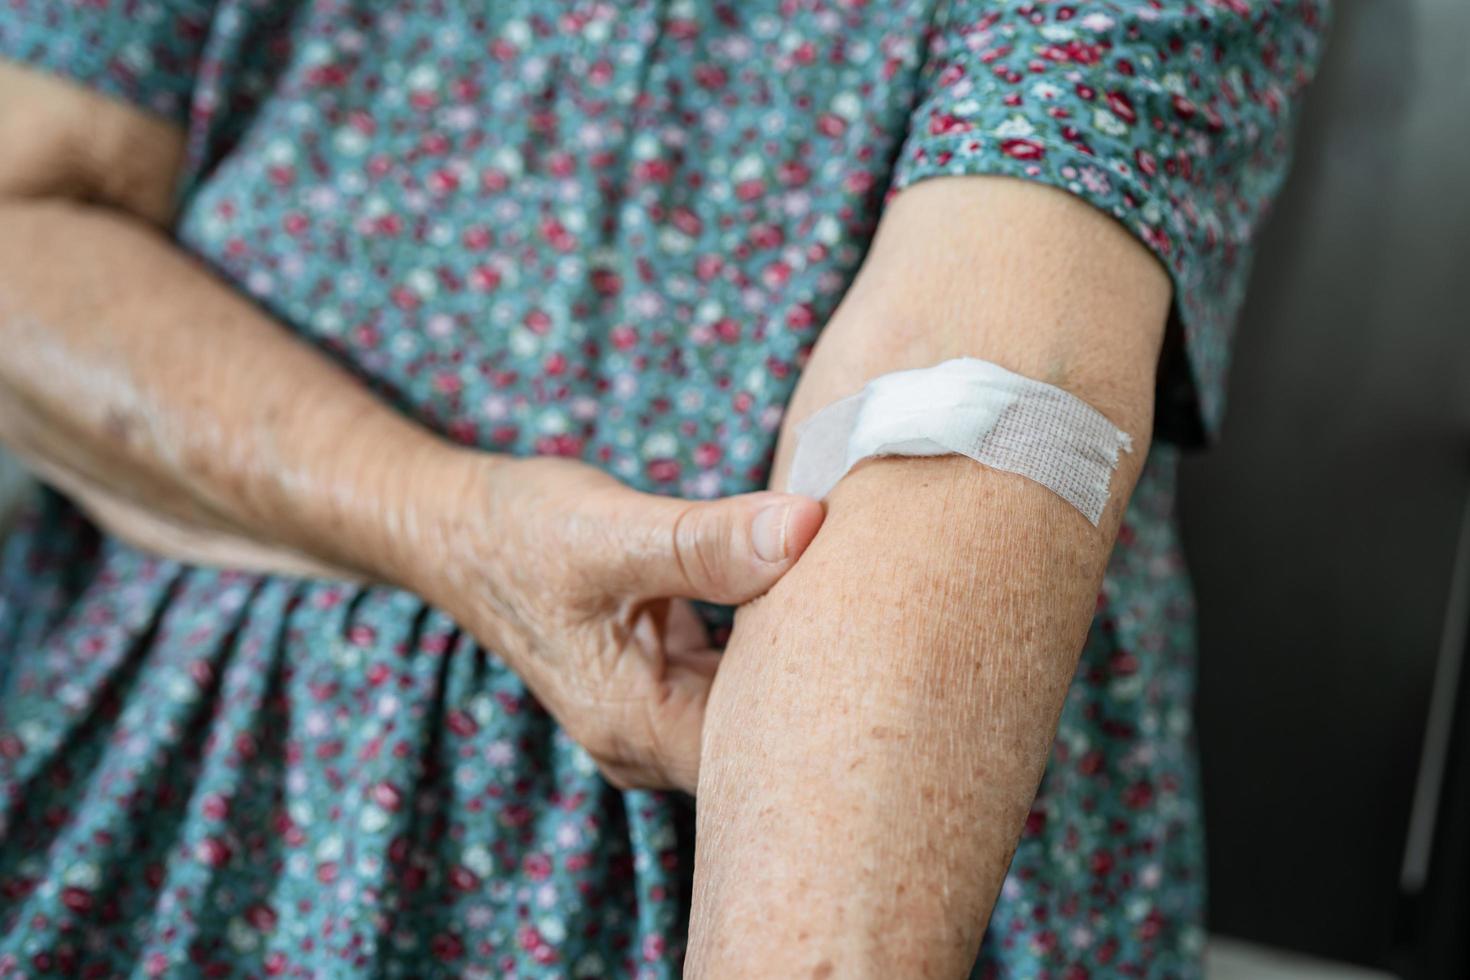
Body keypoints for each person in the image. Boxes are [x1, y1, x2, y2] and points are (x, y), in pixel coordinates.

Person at [0, 2, 1327, 976]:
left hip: (817, 802)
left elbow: (982, 378)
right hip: (183, 750)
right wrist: (439, 521)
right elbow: (26, 213)